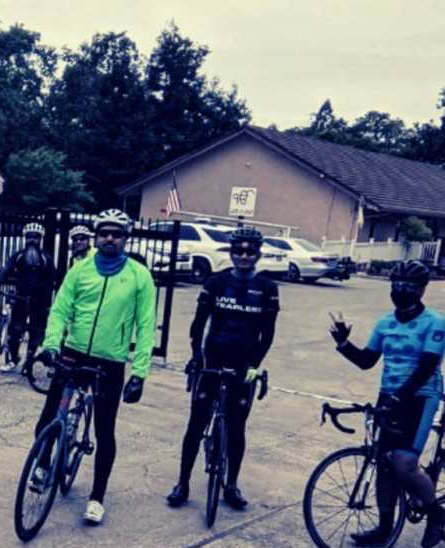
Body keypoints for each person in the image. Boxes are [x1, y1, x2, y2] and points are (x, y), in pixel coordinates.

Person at [35, 209, 156, 525]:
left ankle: (97, 497)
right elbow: (60, 310)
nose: (110, 239)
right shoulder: (80, 270)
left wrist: (139, 373)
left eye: (116, 234)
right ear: (96, 237)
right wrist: (51, 344)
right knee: (48, 417)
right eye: (104, 233)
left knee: (105, 431)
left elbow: (146, 326)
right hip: (74, 352)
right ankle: (43, 464)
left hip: (110, 361)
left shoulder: (139, 276)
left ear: (125, 238)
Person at [329, 259, 445, 548]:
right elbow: (367, 361)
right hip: (390, 395)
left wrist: (399, 397)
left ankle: (436, 514)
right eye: (397, 284)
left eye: (409, 286)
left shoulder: (435, 322)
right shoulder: (385, 323)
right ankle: (384, 528)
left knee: (404, 464)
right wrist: (344, 344)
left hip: (421, 396)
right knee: (383, 463)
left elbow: (427, 367)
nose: (401, 290)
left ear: (422, 289)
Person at [166, 226, 280, 512]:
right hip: (212, 360)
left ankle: (231, 485)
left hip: (244, 365)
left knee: (237, 427)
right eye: (238, 250)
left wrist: (255, 365)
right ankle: (182, 483)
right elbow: (198, 324)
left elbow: (268, 333)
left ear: (258, 254)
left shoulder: (267, 288)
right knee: (196, 424)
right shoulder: (216, 282)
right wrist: (196, 357)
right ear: (231, 252)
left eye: (250, 251)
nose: (244, 255)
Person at [0, 222, 55, 374]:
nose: (32, 240)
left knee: (35, 333)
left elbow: (51, 282)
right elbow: (5, 271)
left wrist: (48, 303)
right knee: (15, 331)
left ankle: (28, 363)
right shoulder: (18, 256)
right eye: (29, 237)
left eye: (36, 237)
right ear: (25, 238)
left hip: (39, 301)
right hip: (20, 298)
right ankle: (13, 359)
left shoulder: (46, 259)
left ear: (40, 239)